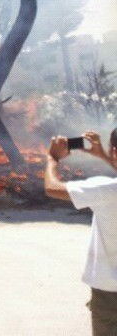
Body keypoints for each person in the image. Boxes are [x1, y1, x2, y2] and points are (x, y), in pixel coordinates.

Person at [46, 129, 117, 335]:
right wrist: (104, 154)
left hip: (109, 292)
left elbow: (52, 188)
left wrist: (52, 158)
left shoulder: (105, 191)